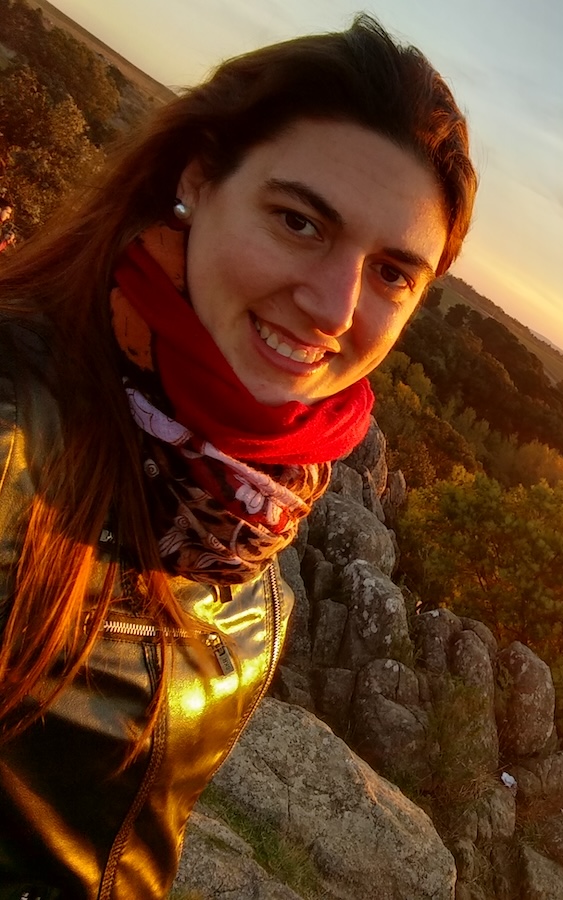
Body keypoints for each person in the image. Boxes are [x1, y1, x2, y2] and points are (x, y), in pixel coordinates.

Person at [0, 16, 475, 899]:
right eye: (300, 221)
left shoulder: (250, 504)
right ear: (199, 176)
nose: (335, 305)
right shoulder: (15, 438)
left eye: (392, 274)